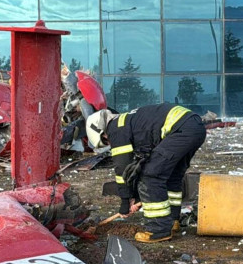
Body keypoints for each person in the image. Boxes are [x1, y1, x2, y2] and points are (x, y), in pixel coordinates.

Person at [86, 103, 206, 243]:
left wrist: (125, 201)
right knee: (171, 176)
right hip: (193, 128)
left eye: (106, 140)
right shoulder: (130, 122)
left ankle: (158, 230)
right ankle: (172, 221)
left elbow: (122, 168)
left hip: (181, 130)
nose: (110, 143)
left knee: (150, 176)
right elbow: (137, 164)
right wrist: (136, 198)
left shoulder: (116, 128)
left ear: (102, 130)